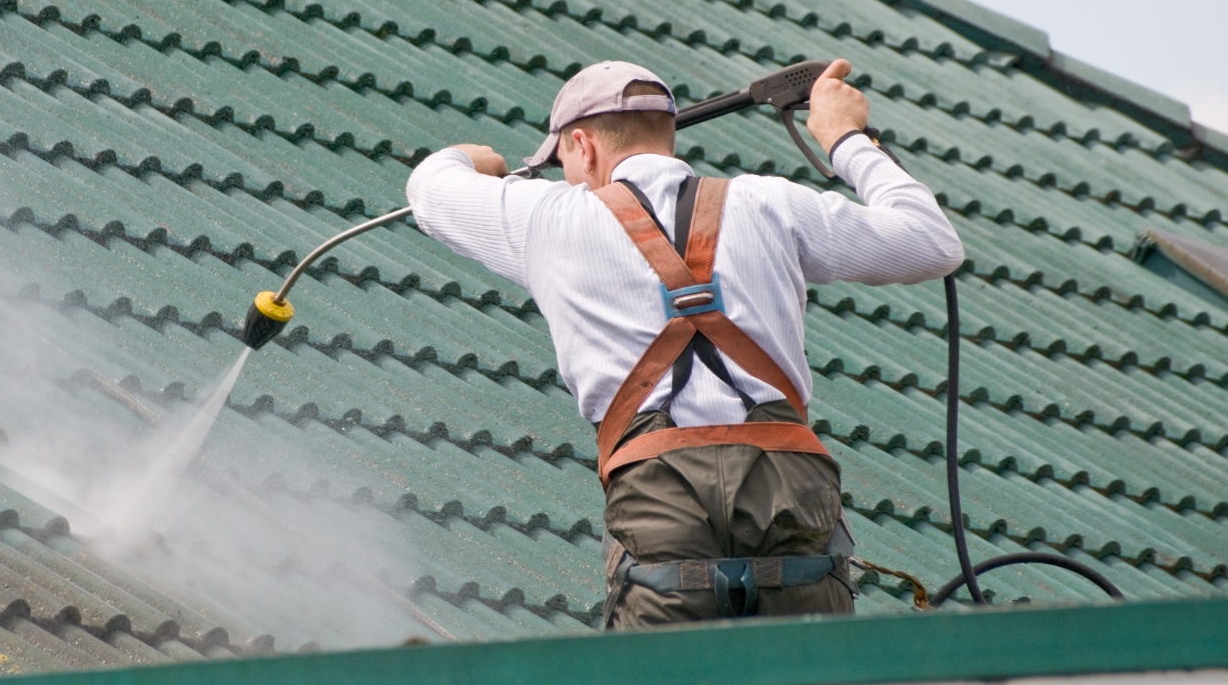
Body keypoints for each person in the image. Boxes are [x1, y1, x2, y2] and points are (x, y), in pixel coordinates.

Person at [405, 59, 963, 627]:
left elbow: (428, 186)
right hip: (788, 486)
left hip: (658, 495)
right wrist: (847, 139)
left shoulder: (545, 218)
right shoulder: (771, 203)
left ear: (582, 145)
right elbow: (933, 243)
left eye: (564, 163)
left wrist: (482, 161)